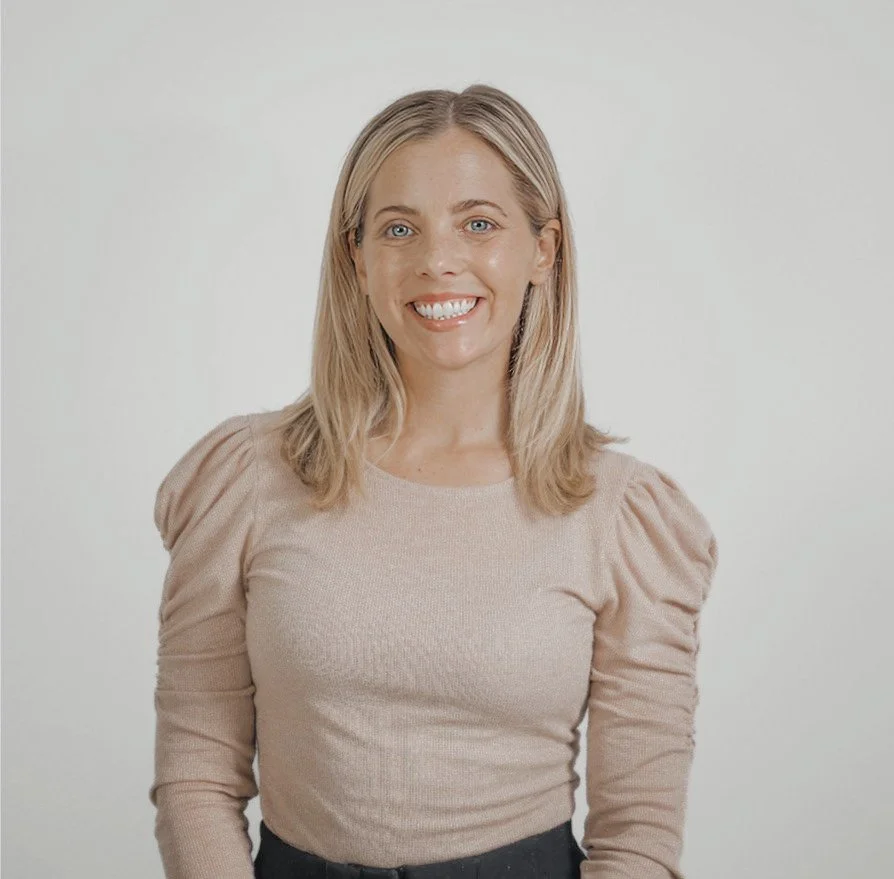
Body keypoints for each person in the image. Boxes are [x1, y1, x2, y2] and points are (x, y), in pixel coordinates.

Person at [149, 84, 719, 879]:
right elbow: (196, 772)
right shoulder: (245, 477)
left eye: (479, 223)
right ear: (358, 256)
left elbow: (639, 836)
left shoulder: (622, 517)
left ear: (543, 249)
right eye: (398, 228)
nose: (436, 259)